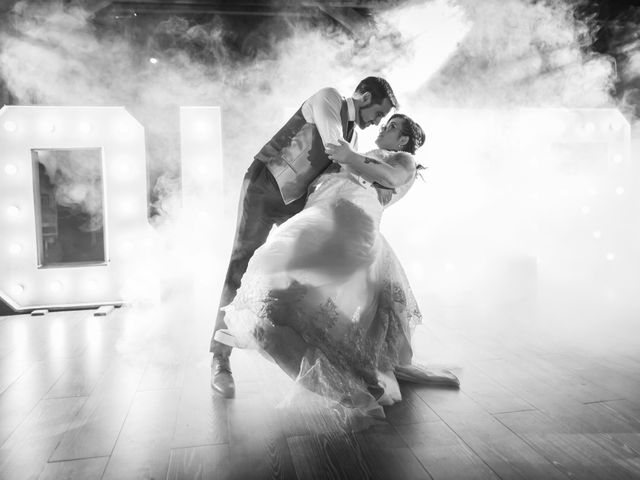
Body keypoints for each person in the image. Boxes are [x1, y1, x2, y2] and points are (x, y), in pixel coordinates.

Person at [215, 114, 460, 418]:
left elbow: (392, 179)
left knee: (280, 265)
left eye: (393, 127)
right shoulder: (365, 155)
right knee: (285, 280)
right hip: (322, 214)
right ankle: (270, 333)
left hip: (347, 219)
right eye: (386, 123)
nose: (384, 126)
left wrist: (348, 156)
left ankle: (345, 381)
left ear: (404, 141)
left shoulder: (402, 159)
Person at [210, 77, 399, 397]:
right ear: (365, 97)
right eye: (378, 113)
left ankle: (338, 364)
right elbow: (334, 149)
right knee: (240, 269)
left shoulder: (351, 132)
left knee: (318, 271)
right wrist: (377, 172)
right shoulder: (329, 98)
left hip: (296, 204)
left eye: (382, 120)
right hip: (263, 189)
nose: (377, 123)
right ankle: (220, 358)